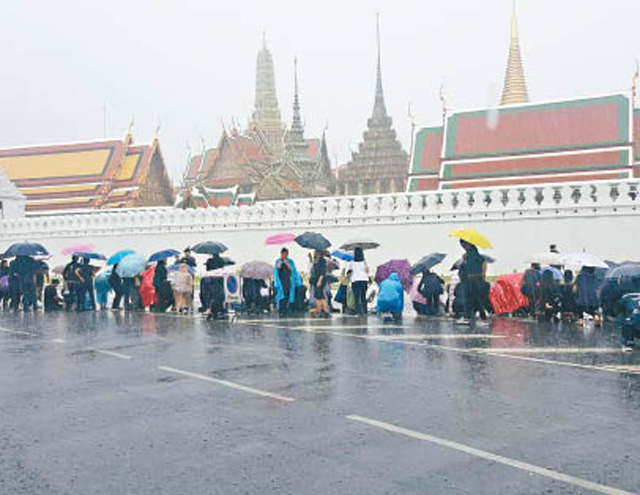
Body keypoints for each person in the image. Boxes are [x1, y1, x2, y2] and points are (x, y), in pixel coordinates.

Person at [458, 240, 489, 325]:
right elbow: (482, 266)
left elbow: (466, 269)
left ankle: (477, 317)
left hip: (471, 280)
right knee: (474, 299)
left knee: (471, 299)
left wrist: (464, 259)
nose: (462, 246)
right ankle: (472, 317)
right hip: (476, 280)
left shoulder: (469, 255)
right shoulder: (477, 256)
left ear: (467, 244)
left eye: (463, 244)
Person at [274, 248, 301, 315]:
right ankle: (281, 310)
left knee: (287, 294)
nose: (284, 255)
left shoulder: (290, 261)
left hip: (288, 280)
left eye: (286, 254)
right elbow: (277, 269)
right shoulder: (278, 261)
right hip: (281, 281)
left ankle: (286, 309)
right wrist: (280, 263)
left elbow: (292, 269)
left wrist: (287, 263)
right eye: (283, 254)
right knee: (281, 295)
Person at [348, 247, 369, 316]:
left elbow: (349, 272)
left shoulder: (352, 263)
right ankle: (365, 311)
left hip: (355, 280)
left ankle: (357, 312)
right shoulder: (364, 262)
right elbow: (367, 271)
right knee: (363, 297)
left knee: (356, 297)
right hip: (364, 280)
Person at [309, 250, 330, 317]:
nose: (314, 252)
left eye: (316, 251)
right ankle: (319, 310)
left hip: (319, 280)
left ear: (319, 253)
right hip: (316, 281)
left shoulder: (322, 261)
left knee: (320, 297)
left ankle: (325, 311)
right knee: (318, 296)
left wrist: (319, 281)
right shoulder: (316, 260)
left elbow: (322, 272)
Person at [206, 254, 225, 319]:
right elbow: (222, 267)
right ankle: (220, 309)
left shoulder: (209, 260)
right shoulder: (221, 260)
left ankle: (211, 309)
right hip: (220, 277)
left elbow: (207, 269)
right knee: (220, 294)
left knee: (211, 295)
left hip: (211, 277)